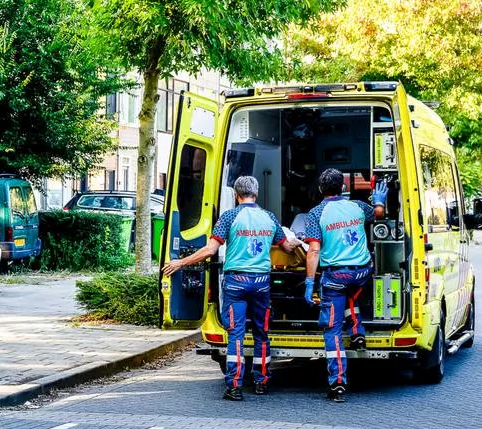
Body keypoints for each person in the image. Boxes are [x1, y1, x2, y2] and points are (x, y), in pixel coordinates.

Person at [163, 176, 298, 401]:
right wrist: (305, 244)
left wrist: (180, 263)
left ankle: (234, 386)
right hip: (261, 283)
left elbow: (209, 250)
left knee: (235, 334)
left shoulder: (229, 216)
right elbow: (286, 245)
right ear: (256, 193)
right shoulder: (269, 218)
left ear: (236, 194)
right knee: (261, 333)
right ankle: (261, 382)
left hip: (236, 283)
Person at [303, 168, 388, 402]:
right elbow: (378, 215)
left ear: (321, 190)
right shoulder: (358, 207)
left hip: (336, 277)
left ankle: (338, 382)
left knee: (332, 328)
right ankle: (358, 331)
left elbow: (313, 250)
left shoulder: (317, 212)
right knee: (351, 294)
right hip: (362, 272)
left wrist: (310, 282)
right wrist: (379, 201)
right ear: (343, 187)